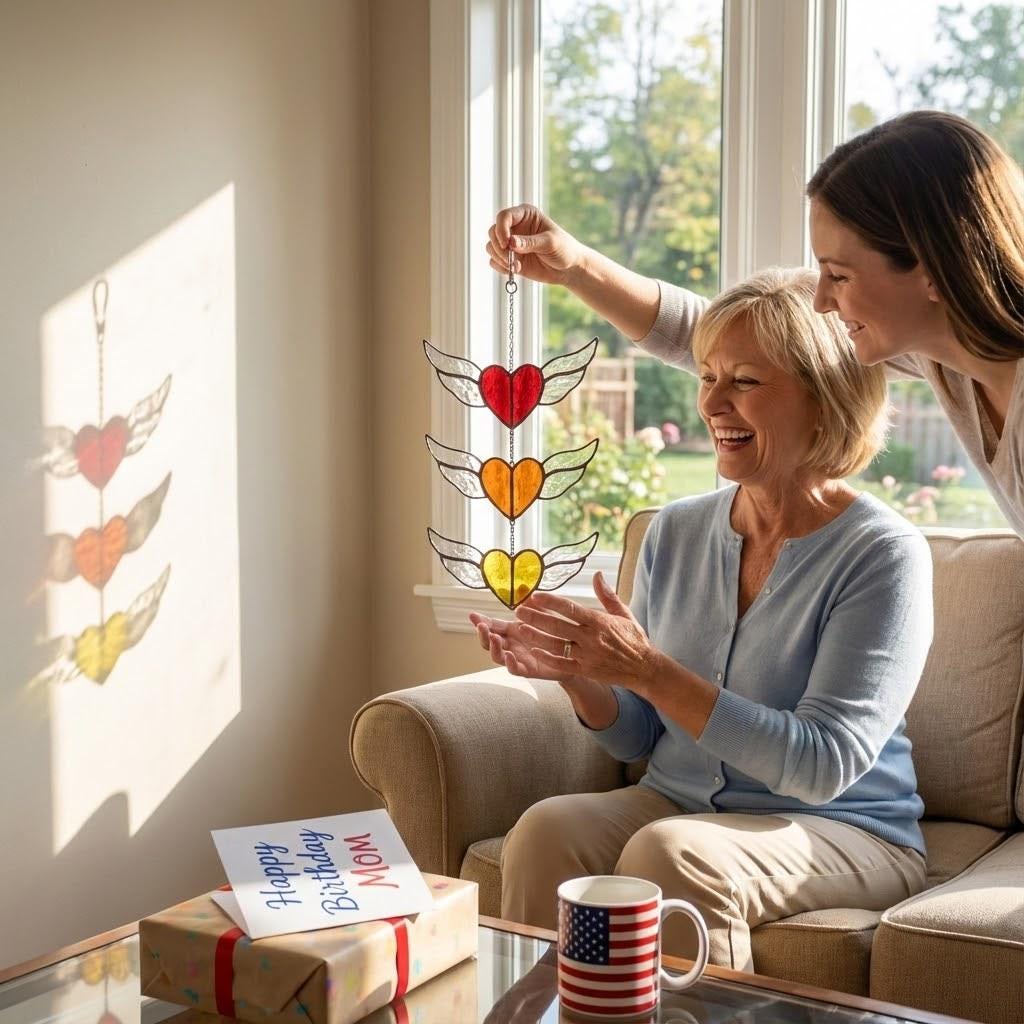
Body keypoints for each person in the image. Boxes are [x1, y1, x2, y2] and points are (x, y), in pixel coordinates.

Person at [469, 267, 933, 972]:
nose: (711, 401)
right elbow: (638, 732)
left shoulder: (883, 554)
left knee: (672, 850)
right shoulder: (677, 531)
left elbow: (821, 765)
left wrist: (649, 669)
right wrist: (581, 676)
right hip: (679, 803)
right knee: (545, 830)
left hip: (840, 827)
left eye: (744, 381)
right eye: (708, 376)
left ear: (823, 398)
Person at [486, 111, 1024, 535]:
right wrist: (577, 265)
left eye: (838, 274)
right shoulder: (949, 352)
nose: (823, 301)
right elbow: (729, 337)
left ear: (933, 271)